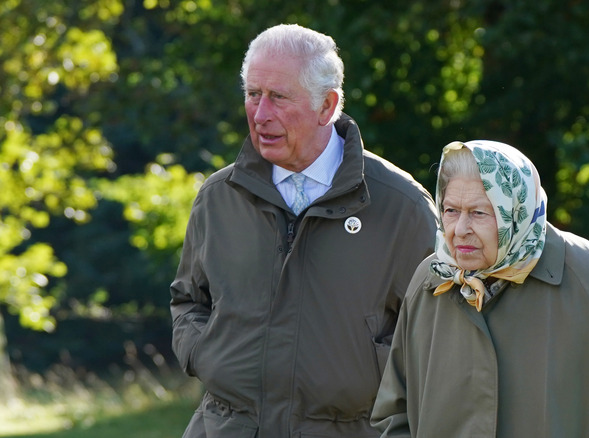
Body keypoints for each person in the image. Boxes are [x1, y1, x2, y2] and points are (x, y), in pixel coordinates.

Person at [169, 24, 438, 438]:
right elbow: (188, 300)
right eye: (253, 94)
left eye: (277, 97)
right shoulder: (219, 196)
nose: (260, 115)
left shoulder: (402, 207)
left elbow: (436, 334)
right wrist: (204, 355)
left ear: (326, 106)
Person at [370, 140, 589, 437]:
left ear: (515, 212)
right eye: (450, 210)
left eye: (478, 213)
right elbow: (394, 414)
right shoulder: (431, 278)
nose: (460, 229)